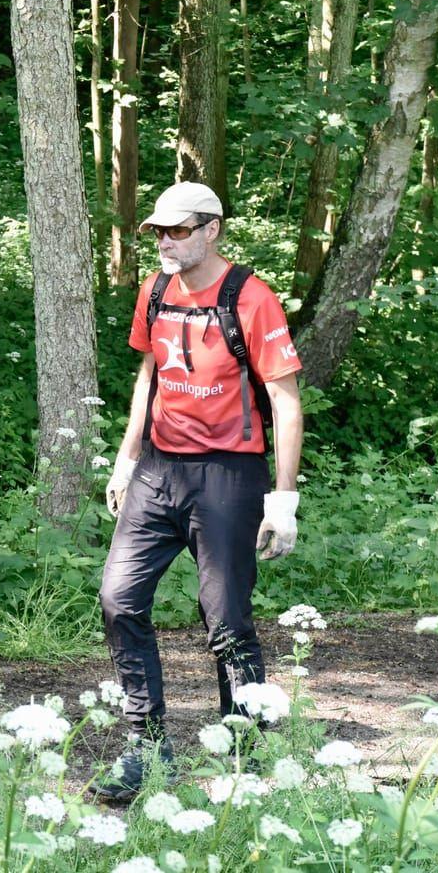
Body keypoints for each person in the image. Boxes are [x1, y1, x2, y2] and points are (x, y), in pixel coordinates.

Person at [90, 182, 304, 801]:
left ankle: (246, 757)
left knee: (226, 618)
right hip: (159, 472)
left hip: (228, 477)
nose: (164, 241)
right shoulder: (154, 290)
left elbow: (285, 403)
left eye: (177, 231)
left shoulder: (252, 298)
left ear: (211, 229)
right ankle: (148, 751)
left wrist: (282, 501)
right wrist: (127, 459)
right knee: (118, 598)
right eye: (158, 231)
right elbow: (150, 373)